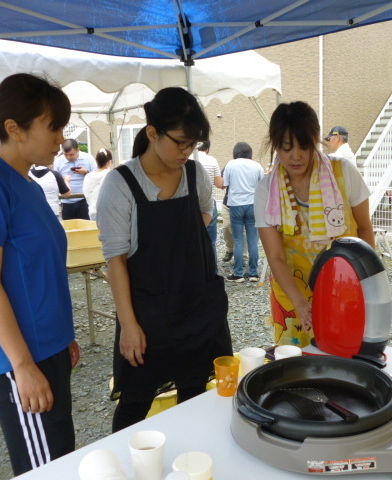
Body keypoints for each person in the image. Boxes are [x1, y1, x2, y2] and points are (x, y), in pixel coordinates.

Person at [0, 73, 79, 476]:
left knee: (60, 452)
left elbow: (40, 272)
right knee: (46, 467)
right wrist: (23, 366)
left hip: (48, 348)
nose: (61, 138)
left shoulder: (28, 184)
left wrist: (64, 337)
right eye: (53, 127)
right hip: (18, 358)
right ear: (14, 129)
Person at [96, 87, 233, 432]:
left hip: (196, 304)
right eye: (181, 143)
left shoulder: (195, 173)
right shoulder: (121, 183)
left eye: (194, 144)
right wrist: (128, 325)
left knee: (195, 390)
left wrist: (177, 244)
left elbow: (204, 213)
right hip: (147, 312)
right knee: (135, 400)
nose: (187, 152)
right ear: (153, 133)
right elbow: (116, 259)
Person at [255, 101, 374, 348]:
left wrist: (367, 281)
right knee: (296, 365)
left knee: (345, 355)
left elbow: (364, 228)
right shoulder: (267, 189)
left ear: (315, 139)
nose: (296, 156)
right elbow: (275, 256)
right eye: (286, 148)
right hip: (292, 294)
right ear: (275, 145)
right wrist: (300, 302)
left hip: (345, 288)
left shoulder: (343, 172)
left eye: (304, 145)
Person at [223, 142, 263, 282]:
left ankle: (238, 274)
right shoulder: (257, 166)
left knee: (238, 240)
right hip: (253, 204)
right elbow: (261, 186)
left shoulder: (230, 165)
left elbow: (224, 184)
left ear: (236, 153)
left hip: (236, 205)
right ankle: (253, 273)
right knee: (253, 240)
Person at [53, 138, 97, 220]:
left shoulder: (88, 158)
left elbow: (96, 177)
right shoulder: (58, 161)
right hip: (67, 201)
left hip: (84, 199)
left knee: (86, 228)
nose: (69, 157)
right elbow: (55, 181)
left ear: (78, 150)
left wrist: (86, 172)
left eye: (71, 154)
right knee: (70, 229)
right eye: (65, 154)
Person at [196, 140, 223, 263]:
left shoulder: (188, 158)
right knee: (211, 240)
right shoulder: (212, 161)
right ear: (207, 149)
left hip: (191, 204)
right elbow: (219, 184)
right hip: (209, 203)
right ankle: (213, 270)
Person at [83, 148, 113, 221]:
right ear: (110, 162)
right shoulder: (111, 174)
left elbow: (86, 193)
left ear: (96, 161)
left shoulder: (88, 176)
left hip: (93, 210)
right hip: (109, 211)